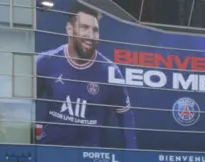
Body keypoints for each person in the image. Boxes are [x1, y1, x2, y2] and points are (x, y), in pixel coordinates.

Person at [36, 1, 136, 148]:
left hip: (89, 161)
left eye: (95, 30)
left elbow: (126, 116)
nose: (91, 35)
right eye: (85, 28)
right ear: (70, 29)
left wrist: (132, 156)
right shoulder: (46, 61)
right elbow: (24, 104)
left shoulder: (109, 71)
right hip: (51, 154)